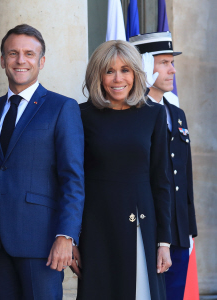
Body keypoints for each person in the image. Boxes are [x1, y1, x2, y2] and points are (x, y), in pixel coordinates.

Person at [0, 24, 85, 300]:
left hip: (42, 242)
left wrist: (66, 236)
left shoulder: (62, 107)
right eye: (13, 53)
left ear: (41, 61)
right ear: (2, 60)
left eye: (29, 53)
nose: (20, 60)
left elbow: (72, 178)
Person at [77, 40, 172, 300]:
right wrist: (73, 238)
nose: (118, 78)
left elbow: (161, 180)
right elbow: (73, 181)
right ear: (98, 75)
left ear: (136, 74)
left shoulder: (153, 114)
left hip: (141, 227)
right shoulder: (80, 115)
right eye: (109, 71)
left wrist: (164, 242)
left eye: (125, 70)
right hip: (97, 228)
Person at [130, 32, 198, 300]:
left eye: (172, 62)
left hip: (178, 232)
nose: (173, 70)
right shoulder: (133, 114)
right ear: (145, 66)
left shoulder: (176, 113)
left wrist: (190, 230)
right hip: (148, 229)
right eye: (164, 63)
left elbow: (186, 175)